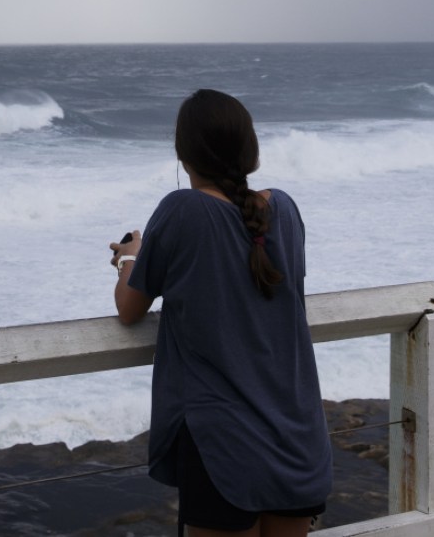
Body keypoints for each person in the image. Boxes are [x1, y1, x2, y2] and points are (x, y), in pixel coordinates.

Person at [111, 89, 332, 537]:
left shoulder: (183, 209)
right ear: (250, 149)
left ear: (183, 153)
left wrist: (129, 257)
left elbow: (130, 308)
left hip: (224, 444)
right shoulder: (284, 210)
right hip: (297, 436)